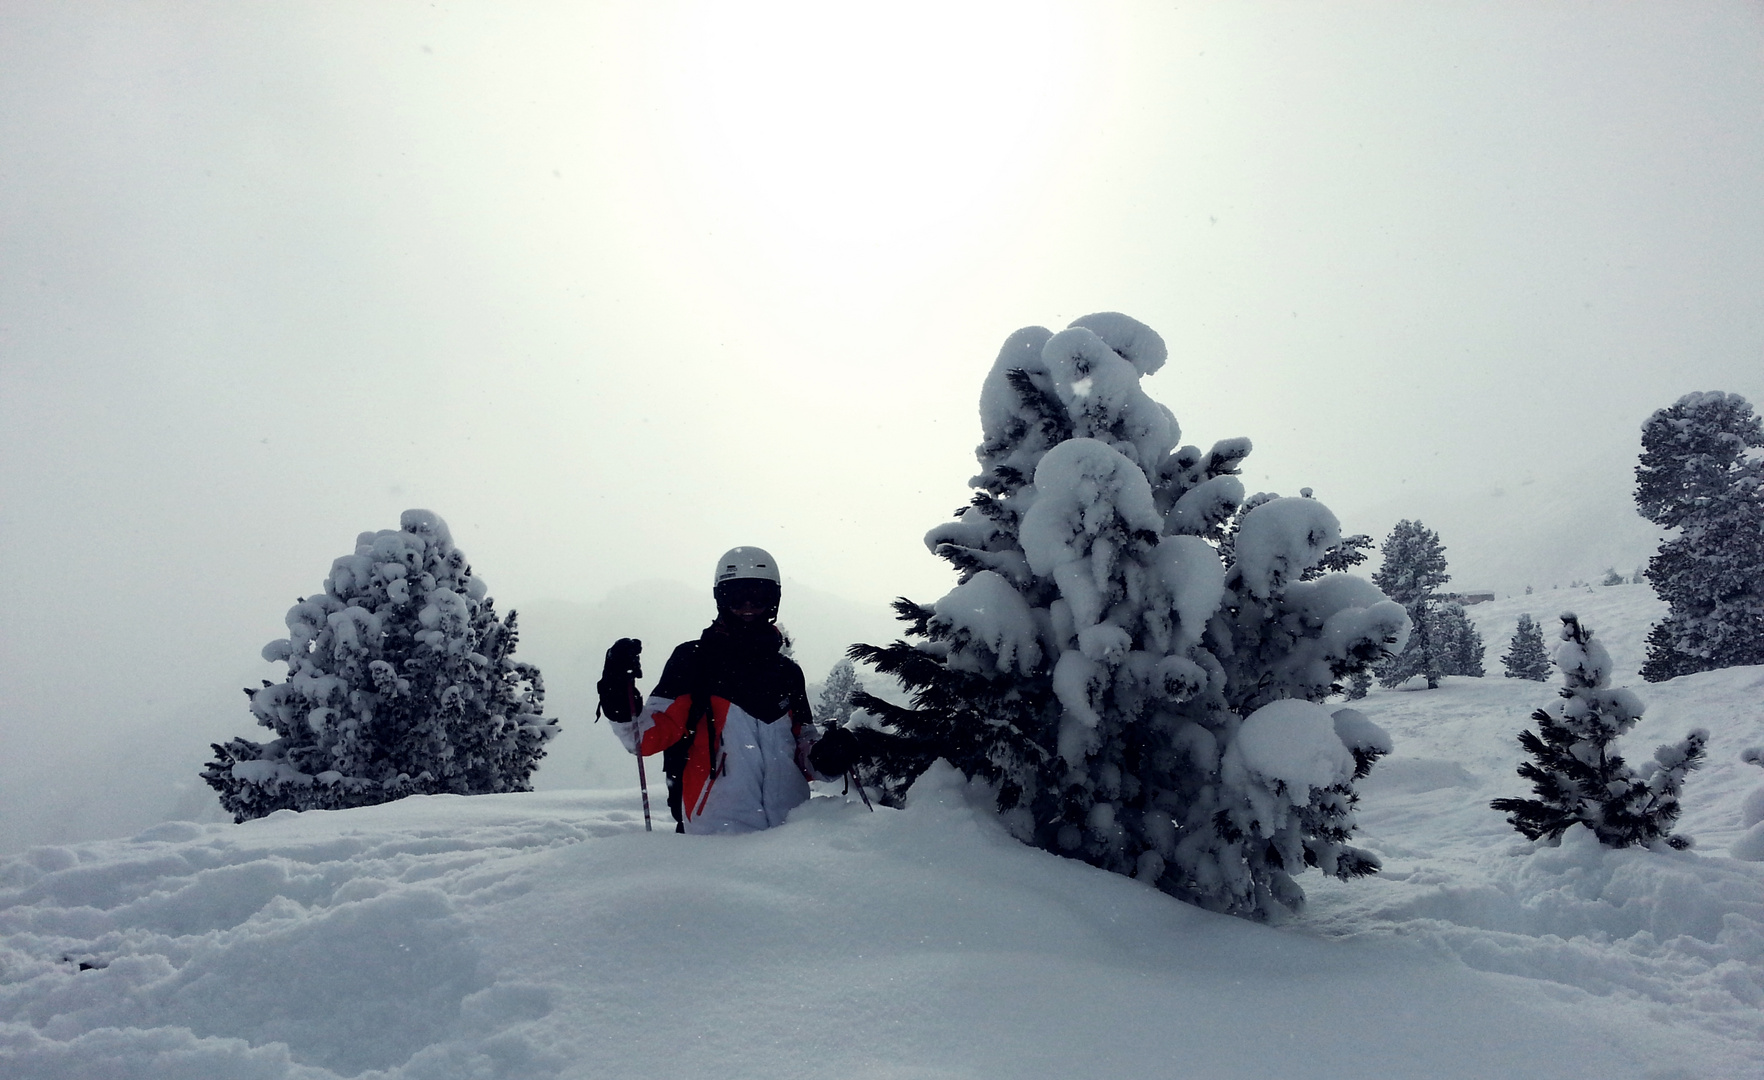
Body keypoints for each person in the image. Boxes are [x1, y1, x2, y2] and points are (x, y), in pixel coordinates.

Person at [598, 546, 859, 834]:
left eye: (759, 596)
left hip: (790, 836)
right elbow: (645, 738)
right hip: (716, 838)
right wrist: (616, 693)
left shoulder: (787, 673)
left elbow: (802, 756)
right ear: (721, 599)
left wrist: (828, 756)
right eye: (736, 596)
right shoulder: (693, 660)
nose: (748, 605)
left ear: (774, 601)